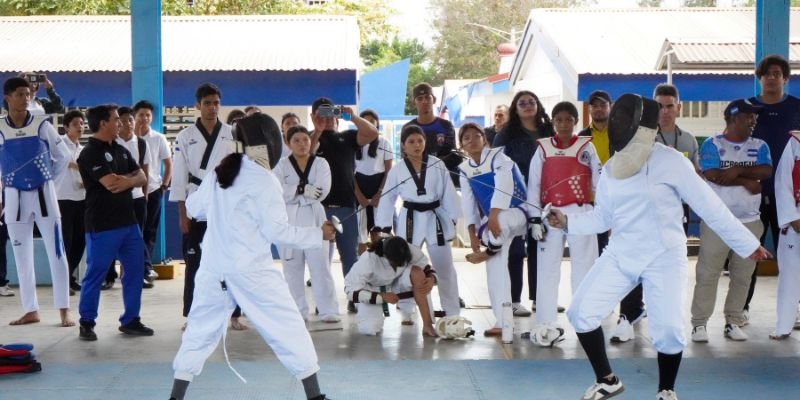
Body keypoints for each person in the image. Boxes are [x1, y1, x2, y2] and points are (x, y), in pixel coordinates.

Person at [547, 94, 771, 400]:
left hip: (664, 255)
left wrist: (747, 243)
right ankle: (607, 380)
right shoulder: (612, 167)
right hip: (622, 253)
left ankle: (666, 390)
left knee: (668, 332)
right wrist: (567, 221)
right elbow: (603, 217)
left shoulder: (670, 161)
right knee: (580, 312)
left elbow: (709, 205)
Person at [169, 113, 336, 400]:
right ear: (267, 142)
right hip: (252, 271)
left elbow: (195, 208)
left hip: (214, 270)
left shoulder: (219, 174)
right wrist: (317, 234)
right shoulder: (264, 179)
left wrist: (223, 206)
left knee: (198, 332)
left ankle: (175, 397)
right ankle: (316, 396)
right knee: (288, 327)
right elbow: (277, 231)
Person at [609, 83, 701, 344]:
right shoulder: (637, 138)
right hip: (638, 215)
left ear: (678, 108)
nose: (665, 111)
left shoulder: (688, 140)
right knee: (631, 266)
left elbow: (694, 178)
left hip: (673, 217)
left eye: (670, 106)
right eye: (659, 106)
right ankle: (627, 315)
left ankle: (666, 320)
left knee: (667, 270)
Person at [689, 99, 771, 343]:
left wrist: (735, 170)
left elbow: (766, 171)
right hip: (717, 222)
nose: (753, 120)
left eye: (754, 117)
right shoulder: (713, 144)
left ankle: (733, 321)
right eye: (748, 116)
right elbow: (712, 175)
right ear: (733, 118)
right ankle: (699, 324)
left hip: (750, 222)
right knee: (708, 272)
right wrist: (746, 180)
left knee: (743, 274)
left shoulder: (760, 145)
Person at [170, 83, 247, 330]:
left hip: (226, 201)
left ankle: (234, 315)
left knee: (232, 262)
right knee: (196, 264)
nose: (212, 108)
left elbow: (240, 170)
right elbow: (179, 178)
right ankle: (193, 316)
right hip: (197, 201)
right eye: (207, 103)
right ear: (197, 105)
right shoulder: (185, 137)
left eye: (216, 103)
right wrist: (183, 214)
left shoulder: (232, 133)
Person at [527, 101, 600, 347]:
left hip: (582, 213)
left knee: (585, 268)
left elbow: (599, 181)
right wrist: (535, 218)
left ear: (575, 122)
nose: (564, 124)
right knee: (547, 270)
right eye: (559, 120)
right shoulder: (543, 148)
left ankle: (585, 320)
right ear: (554, 122)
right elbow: (533, 184)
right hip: (551, 214)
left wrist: (602, 214)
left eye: (569, 119)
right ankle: (546, 323)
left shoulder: (587, 147)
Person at [77, 104, 153, 341]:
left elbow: (142, 177)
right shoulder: (90, 153)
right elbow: (111, 183)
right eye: (116, 119)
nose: (120, 123)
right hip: (102, 225)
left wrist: (128, 180)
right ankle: (87, 322)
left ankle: (131, 320)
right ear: (103, 123)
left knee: (134, 272)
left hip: (128, 223)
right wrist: (130, 179)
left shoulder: (120, 149)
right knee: (96, 274)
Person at [1, 77, 72, 327]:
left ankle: (64, 310)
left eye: (27, 94)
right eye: (19, 94)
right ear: (7, 97)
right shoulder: (0, 128)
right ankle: (31, 309)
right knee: (21, 256)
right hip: (13, 197)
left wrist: (49, 179)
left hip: (44, 195)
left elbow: (62, 155)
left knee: (57, 252)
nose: (25, 98)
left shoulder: (42, 124)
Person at [374, 124, 461, 322]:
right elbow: (387, 198)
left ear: (425, 143)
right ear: (403, 145)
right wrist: (384, 227)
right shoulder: (397, 170)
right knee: (408, 264)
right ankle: (407, 307)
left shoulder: (437, 164)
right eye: (411, 142)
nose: (416, 145)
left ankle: (452, 310)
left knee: (444, 265)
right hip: (410, 218)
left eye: (420, 141)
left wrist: (452, 218)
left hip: (435, 216)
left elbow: (448, 191)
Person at [458, 122, 530, 336]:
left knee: (499, 224)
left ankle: (488, 250)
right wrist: (472, 233)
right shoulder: (465, 170)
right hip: (494, 221)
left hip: (519, 213)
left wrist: (494, 214)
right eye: (466, 137)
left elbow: (505, 186)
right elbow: (468, 203)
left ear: (484, 139)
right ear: (462, 145)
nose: (472, 140)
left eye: (476, 135)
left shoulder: (499, 157)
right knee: (495, 267)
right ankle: (503, 321)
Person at [309, 97, 378, 313]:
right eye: (323, 114)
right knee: (320, 257)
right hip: (320, 208)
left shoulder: (347, 137)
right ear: (314, 116)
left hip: (347, 206)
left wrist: (351, 116)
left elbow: (372, 133)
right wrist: (317, 130)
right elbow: (306, 155)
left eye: (331, 113)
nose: (328, 119)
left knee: (350, 255)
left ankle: (354, 296)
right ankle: (324, 301)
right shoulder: (310, 138)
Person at [747, 54, 800, 319]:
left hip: (790, 197)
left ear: (785, 79)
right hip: (753, 194)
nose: (771, 78)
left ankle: (796, 310)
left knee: (795, 258)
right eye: (767, 73)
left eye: (777, 73)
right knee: (747, 254)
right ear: (760, 78)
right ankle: (740, 310)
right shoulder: (747, 108)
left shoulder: (796, 108)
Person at [493, 90, 554, 316]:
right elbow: (495, 163)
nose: (527, 106)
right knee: (516, 250)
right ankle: (515, 300)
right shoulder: (506, 134)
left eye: (531, 102)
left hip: (543, 197)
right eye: (522, 103)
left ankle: (541, 298)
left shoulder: (548, 130)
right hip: (515, 197)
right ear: (515, 108)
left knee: (542, 246)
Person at [274, 125, 340, 322]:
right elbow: (278, 191)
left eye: (305, 140)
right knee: (292, 268)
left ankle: (328, 310)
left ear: (311, 142)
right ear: (288, 143)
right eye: (296, 140)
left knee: (320, 266)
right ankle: (297, 311)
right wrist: (302, 188)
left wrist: (296, 192)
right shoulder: (281, 165)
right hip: (289, 219)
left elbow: (322, 191)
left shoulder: (321, 163)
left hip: (315, 217)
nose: (302, 144)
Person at [344, 236, 438, 337]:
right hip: (372, 289)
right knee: (369, 328)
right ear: (386, 256)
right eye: (396, 263)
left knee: (417, 272)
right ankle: (365, 309)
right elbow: (350, 291)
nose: (398, 266)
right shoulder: (368, 259)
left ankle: (427, 325)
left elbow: (425, 266)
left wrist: (431, 278)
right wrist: (381, 297)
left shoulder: (408, 249)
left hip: (395, 283)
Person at [103, 106, 151, 290]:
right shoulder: (111, 145)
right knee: (112, 238)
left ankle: (133, 276)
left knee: (136, 240)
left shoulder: (140, 143)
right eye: (122, 121)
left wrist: (144, 195)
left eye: (131, 120)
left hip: (137, 198)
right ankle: (108, 276)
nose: (128, 124)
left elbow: (144, 170)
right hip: (115, 198)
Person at [133, 100, 173, 286]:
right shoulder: (128, 138)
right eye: (141, 114)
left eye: (148, 115)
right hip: (133, 193)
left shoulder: (158, 138)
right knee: (135, 230)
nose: (144, 118)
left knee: (150, 230)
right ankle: (144, 268)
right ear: (135, 116)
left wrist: (164, 185)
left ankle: (145, 268)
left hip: (154, 189)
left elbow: (168, 163)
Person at [772, 128, 800, 340]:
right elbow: (782, 181)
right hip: (795, 219)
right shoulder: (795, 142)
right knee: (790, 275)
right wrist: (792, 217)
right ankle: (784, 326)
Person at [403, 83, 460, 187]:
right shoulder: (407, 128)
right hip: (418, 182)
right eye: (419, 99)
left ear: (434, 99)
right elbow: (405, 157)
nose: (424, 101)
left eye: (427, 97)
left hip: (443, 181)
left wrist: (432, 166)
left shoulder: (446, 125)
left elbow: (453, 156)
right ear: (414, 103)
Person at [54, 110, 86, 293]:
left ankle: (69, 276)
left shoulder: (83, 150)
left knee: (79, 241)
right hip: (62, 198)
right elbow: (62, 162)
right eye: (75, 124)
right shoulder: (59, 145)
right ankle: (63, 281)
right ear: (66, 127)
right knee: (65, 241)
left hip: (81, 198)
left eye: (82, 124)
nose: (80, 127)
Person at [354, 109, 392, 254]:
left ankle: (381, 266)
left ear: (377, 125)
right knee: (360, 236)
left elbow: (388, 171)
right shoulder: (354, 142)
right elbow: (350, 174)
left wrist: (380, 194)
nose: (368, 124)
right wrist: (359, 196)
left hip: (379, 191)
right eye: (364, 121)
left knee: (378, 233)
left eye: (371, 122)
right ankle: (363, 268)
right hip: (359, 193)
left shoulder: (384, 143)